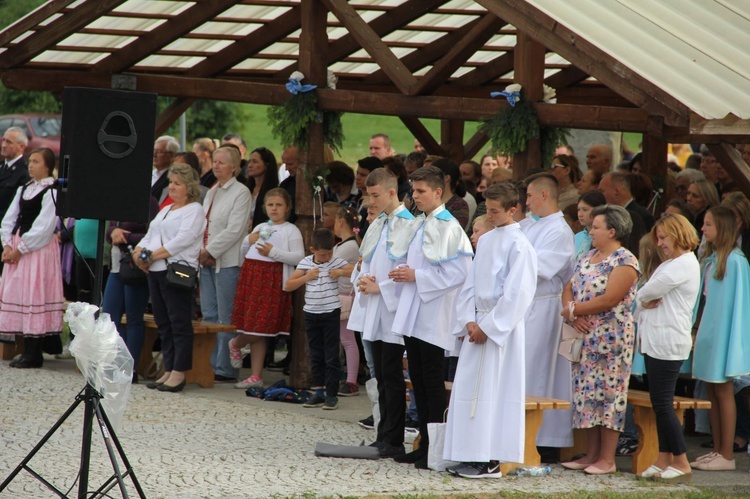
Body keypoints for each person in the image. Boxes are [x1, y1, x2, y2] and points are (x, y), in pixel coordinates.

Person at [443, 181, 538, 478]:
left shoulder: (519, 245)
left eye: (496, 211)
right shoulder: (486, 241)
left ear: (513, 209)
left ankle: (491, 459)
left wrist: (490, 326)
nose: (491, 215)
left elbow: (518, 293)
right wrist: (469, 319)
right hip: (477, 326)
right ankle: (470, 453)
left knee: (494, 393)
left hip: (500, 332)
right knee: (470, 392)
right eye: (488, 209)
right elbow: (470, 283)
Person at [388, 166, 473, 469]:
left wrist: (416, 275)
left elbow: (460, 271)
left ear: (438, 192)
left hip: (435, 313)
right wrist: (403, 272)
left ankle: (435, 452)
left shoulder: (449, 227)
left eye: (421, 191)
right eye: (413, 190)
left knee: (433, 382)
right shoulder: (421, 224)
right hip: (415, 311)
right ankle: (423, 444)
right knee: (419, 382)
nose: (415, 195)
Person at [561, 205, 640, 475]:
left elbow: (609, 299)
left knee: (609, 395)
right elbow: (569, 286)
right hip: (585, 336)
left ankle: (607, 458)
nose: (590, 231)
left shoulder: (624, 261)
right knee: (587, 394)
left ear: (612, 231)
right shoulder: (589, 255)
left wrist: (573, 310)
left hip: (612, 338)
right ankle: (591, 454)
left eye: (595, 227)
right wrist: (571, 314)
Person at [349, 168, 419, 458]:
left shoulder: (409, 225)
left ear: (392, 193)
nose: (370, 201)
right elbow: (365, 259)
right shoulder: (378, 223)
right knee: (379, 373)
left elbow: (409, 267)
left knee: (391, 375)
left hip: (392, 310)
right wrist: (362, 280)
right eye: (368, 195)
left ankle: (393, 437)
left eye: (375, 195)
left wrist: (382, 288)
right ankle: (382, 433)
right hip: (373, 308)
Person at [633, 214, 700, 481]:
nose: (659, 243)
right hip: (656, 341)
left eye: (663, 237)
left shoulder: (682, 265)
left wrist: (642, 298)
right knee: (658, 402)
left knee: (662, 403)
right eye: (658, 238)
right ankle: (663, 459)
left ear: (678, 234)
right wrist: (642, 299)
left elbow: (644, 292)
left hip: (668, 342)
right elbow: (643, 296)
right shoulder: (671, 263)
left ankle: (681, 461)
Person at [135, 163, 206, 392]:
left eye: (177, 183)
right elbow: (150, 234)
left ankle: (179, 372)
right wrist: (138, 253)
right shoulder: (167, 209)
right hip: (155, 270)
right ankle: (168, 368)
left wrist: (152, 255)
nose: (172, 187)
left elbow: (183, 240)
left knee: (179, 322)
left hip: (176, 271)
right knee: (163, 323)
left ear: (189, 187)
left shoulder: (194, 210)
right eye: (171, 183)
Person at [690, 207, 750, 471]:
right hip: (710, 334)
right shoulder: (712, 260)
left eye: (708, 224)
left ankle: (726, 453)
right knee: (712, 391)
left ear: (722, 228)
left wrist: (733, 344)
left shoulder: (736, 261)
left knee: (724, 391)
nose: (703, 229)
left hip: (723, 336)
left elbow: (739, 307)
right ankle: (717, 449)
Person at [521, 173, 576, 453]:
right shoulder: (529, 224)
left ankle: (544, 442)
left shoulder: (559, 231)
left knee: (541, 371)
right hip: (526, 306)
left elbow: (539, 268)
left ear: (544, 195)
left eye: (529, 195)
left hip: (545, 309)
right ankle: (520, 435)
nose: (526, 201)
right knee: (523, 371)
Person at [229, 188, 304, 389]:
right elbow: (245, 251)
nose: (274, 208)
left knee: (263, 327)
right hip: (252, 277)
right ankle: (256, 375)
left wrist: (274, 253)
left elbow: (299, 256)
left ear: (287, 208)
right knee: (254, 325)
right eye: (270, 205)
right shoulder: (261, 226)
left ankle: (236, 343)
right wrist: (247, 240)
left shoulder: (291, 230)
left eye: (279, 205)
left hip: (272, 279)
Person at [0, 148, 63, 368]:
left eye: (36, 161)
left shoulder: (52, 190)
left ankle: (35, 351)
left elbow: (45, 227)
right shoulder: (24, 188)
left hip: (37, 250)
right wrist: (7, 244)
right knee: (20, 294)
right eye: (30, 161)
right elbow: (9, 218)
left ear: (48, 166)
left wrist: (21, 249)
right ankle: (26, 348)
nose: (31, 165)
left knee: (34, 294)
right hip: (19, 248)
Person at [200, 146, 252, 384]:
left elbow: (235, 229)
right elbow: (204, 223)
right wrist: (201, 251)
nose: (216, 166)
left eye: (221, 162)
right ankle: (207, 364)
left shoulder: (241, 192)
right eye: (214, 161)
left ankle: (225, 367)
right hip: (206, 260)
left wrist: (210, 250)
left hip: (227, 262)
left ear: (234, 167)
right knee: (209, 313)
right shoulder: (212, 191)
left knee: (226, 315)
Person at [286, 229, 352, 410]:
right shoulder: (306, 263)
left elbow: (354, 269)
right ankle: (319, 392)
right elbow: (288, 285)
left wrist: (339, 271)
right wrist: (307, 277)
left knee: (331, 355)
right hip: (311, 313)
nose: (326, 257)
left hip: (330, 312)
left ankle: (331, 395)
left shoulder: (335, 261)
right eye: (323, 254)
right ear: (312, 249)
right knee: (316, 354)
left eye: (330, 253)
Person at [102, 195, 160, 381]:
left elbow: (152, 234)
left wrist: (125, 236)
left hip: (134, 267)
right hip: (116, 266)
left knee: (134, 318)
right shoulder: (119, 200)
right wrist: (114, 232)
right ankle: (116, 360)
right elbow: (109, 229)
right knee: (110, 317)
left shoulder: (148, 201)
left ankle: (130, 368)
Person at [332, 206, 361, 397]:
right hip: (339, 295)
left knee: (347, 340)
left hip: (345, 296)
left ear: (341, 222)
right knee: (344, 339)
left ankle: (352, 380)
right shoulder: (342, 245)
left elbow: (348, 267)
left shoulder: (349, 246)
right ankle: (347, 376)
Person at [0, 127, 30, 223]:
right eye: (3, 140)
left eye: (9, 142)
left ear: (21, 147)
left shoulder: (23, 172)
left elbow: (14, 208)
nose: (3, 145)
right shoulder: (2, 167)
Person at [246, 147, 280, 230]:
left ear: (266, 165)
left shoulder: (274, 192)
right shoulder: (246, 189)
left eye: (255, 162)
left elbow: (275, 218)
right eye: (249, 161)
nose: (250, 165)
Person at [433, 158, 469, 229]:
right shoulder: (425, 200)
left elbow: (455, 231)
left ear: (446, 178)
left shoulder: (459, 205)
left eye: (433, 175)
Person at [574, 191, 607, 260]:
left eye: (585, 210)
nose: (580, 214)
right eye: (578, 210)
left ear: (598, 210)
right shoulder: (576, 237)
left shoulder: (606, 237)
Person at [152, 136, 179, 203]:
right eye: (153, 151)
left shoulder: (173, 178)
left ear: (172, 155)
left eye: (158, 152)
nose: (154, 155)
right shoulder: (151, 173)